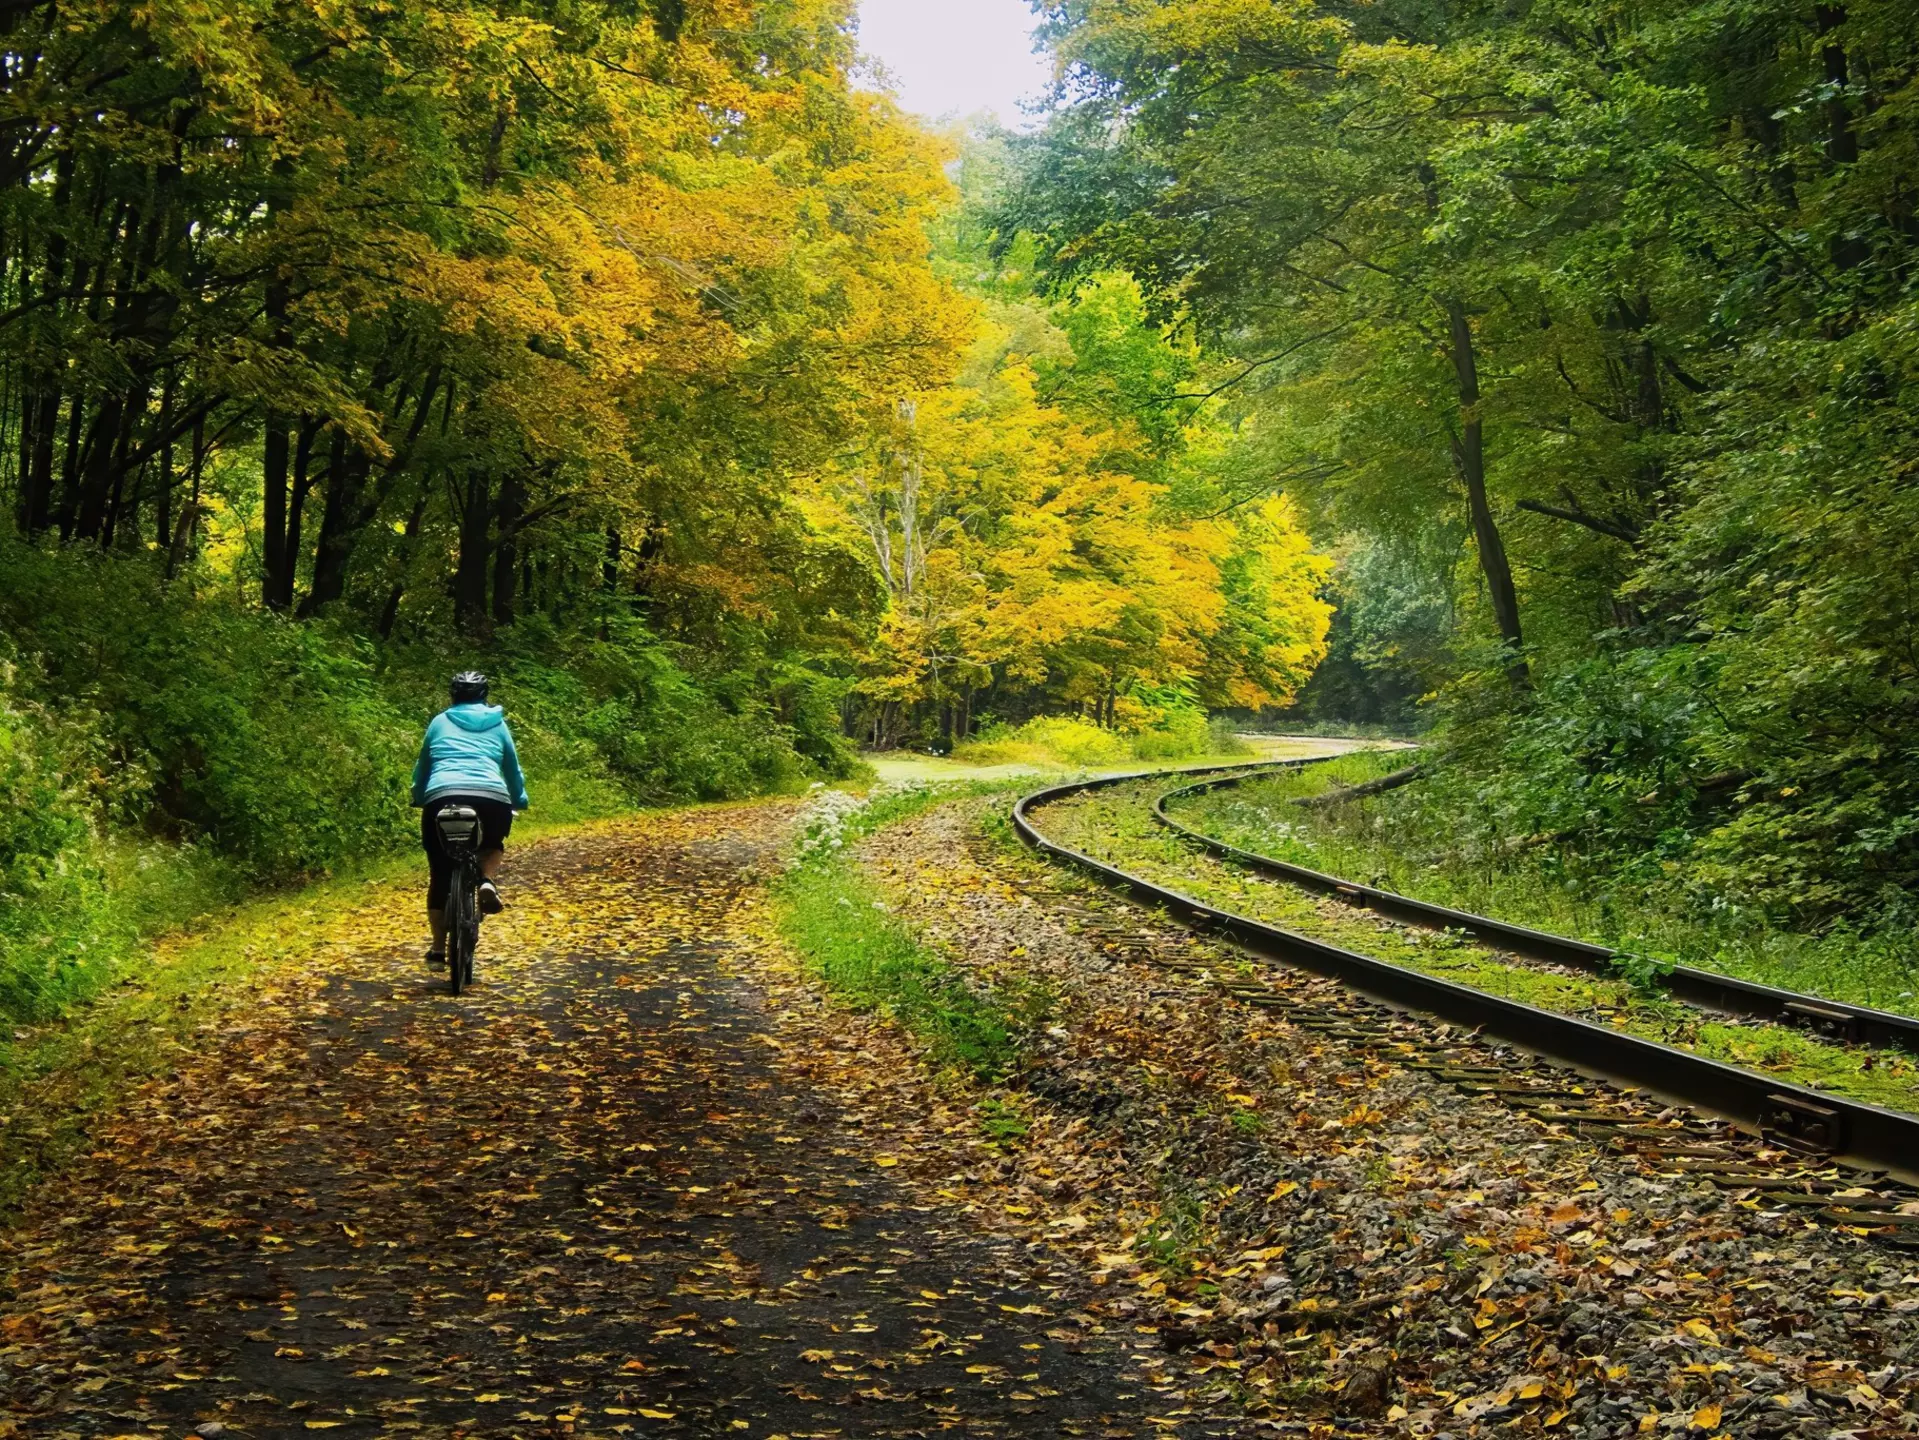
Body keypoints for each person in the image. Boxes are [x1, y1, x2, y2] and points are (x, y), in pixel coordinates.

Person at [410, 671, 529, 970]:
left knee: (440, 870)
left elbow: (423, 765)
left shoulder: (439, 722)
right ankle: (486, 881)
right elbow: (512, 769)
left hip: (443, 795)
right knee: (491, 844)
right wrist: (520, 799)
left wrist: (419, 795)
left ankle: (438, 951)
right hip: (491, 797)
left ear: (453, 696)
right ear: (484, 695)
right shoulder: (498, 724)